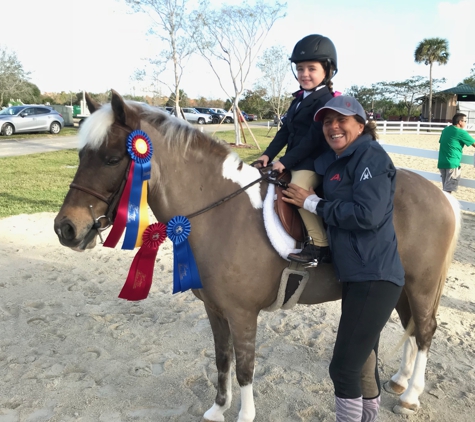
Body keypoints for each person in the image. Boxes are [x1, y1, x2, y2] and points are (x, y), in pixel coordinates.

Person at [282, 95, 405, 422]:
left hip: (374, 275)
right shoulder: (339, 159)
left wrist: (313, 203)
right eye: (327, 122)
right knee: (363, 364)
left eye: (341, 121)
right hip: (357, 275)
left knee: (343, 368)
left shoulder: (370, 157)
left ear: (360, 125)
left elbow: (368, 214)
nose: (333, 127)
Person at [255, 34, 338, 265]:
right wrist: (267, 155)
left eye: (312, 68)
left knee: (297, 187)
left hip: (315, 161)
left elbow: (312, 139)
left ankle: (320, 244)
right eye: (300, 68)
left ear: (327, 71)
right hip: (296, 158)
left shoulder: (326, 101)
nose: (304, 74)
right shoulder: (298, 100)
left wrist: (285, 161)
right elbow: (284, 131)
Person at [437, 113, 475, 194]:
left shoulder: (445, 130)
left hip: (442, 162)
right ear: (460, 122)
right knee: (448, 192)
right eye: (465, 121)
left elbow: (442, 142)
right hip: (452, 163)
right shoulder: (461, 132)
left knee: (445, 189)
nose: (465, 123)